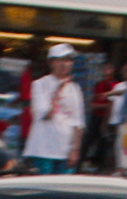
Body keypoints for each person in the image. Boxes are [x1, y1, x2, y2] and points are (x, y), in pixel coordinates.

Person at [23, 44, 86, 175]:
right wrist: (58, 90)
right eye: (60, 60)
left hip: (65, 151)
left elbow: (78, 123)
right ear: (51, 62)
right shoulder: (39, 84)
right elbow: (45, 114)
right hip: (43, 150)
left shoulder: (75, 88)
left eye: (68, 60)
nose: (64, 64)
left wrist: (75, 150)